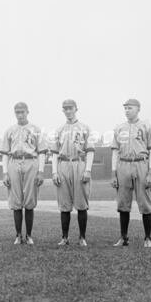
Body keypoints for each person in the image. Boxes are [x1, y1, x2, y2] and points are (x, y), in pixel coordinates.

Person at [110, 99, 151, 247]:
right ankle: (124, 237)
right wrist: (113, 173)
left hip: (141, 163)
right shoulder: (119, 128)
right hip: (123, 164)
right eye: (125, 108)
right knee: (123, 203)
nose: (127, 110)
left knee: (144, 202)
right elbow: (115, 151)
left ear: (138, 109)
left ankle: (148, 238)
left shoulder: (147, 126)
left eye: (130, 108)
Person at [0, 102, 47, 245]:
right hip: (14, 162)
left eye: (22, 112)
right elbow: (5, 154)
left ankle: (29, 235)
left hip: (31, 161)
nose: (20, 114)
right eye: (17, 112)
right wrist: (5, 173)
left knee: (29, 200)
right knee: (16, 201)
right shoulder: (10, 130)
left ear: (28, 112)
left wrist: (41, 172)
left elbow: (42, 152)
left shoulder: (36, 129)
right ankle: (18, 235)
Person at [51, 99, 95, 246]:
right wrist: (54, 172)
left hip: (79, 163)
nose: (68, 111)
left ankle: (82, 237)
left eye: (70, 108)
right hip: (63, 165)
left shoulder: (85, 128)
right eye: (65, 109)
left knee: (81, 203)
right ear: (62, 110)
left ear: (76, 108)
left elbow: (90, 151)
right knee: (64, 204)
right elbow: (55, 153)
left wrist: (88, 170)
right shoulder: (59, 130)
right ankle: (65, 237)